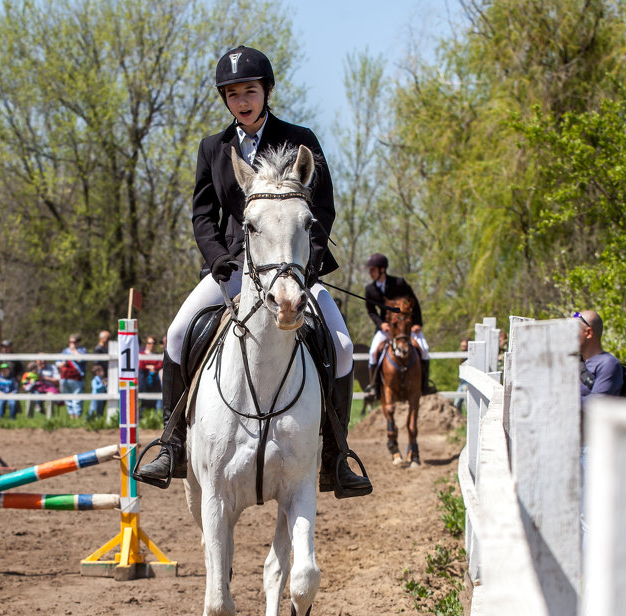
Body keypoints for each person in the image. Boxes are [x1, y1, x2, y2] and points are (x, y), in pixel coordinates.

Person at [136, 45, 371, 499]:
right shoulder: (213, 148)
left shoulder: (299, 140)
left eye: (250, 91)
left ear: (267, 91)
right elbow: (203, 215)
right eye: (233, 94)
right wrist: (218, 256)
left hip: (293, 271)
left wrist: (308, 266)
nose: (242, 101)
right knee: (177, 333)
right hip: (233, 269)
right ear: (225, 100)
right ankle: (173, 444)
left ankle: (335, 455)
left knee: (341, 346)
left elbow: (321, 209)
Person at [363, 253, 436, 398]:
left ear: (382, 270)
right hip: (386, 328)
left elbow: (414, 303)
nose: (370, 273)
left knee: (424, 348)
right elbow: (371, 311)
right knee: (372, 352)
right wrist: (382, 324)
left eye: (373, 270)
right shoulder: (369, 290)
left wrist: (417, 324)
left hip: (406, 327)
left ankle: (425, 385)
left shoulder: (399, 284)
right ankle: (375, 388)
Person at [576, 310, 623, 401]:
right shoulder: (572, 362)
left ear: (589, 333)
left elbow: (594, 404)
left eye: (573, 329)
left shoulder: (608, 364)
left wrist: (561, 401)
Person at [57, 335, 86, 418]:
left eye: (74, 342)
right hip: (65, 378)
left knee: (77, 399)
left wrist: (74, 351)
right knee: (68, 399)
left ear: (78, 342)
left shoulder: (82, 350)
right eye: (70, 342)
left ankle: (77, 417)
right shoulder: (65, 351)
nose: (72, 344)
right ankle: (71, 416)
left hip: (77, 378)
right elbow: (58, 363)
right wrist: (62, 364)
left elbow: (81, 360)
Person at [140, 335, 162, 410]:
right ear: (146, 344)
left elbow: (160, 364)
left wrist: (151, 367)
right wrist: (152, 367)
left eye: (153, 343)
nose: (151, 345)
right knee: (144, 402)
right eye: (149, 343)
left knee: (154, 402)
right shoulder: (142, 354)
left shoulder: (158, 355)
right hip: (144, 380)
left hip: (155, 380)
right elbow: (141, 365)